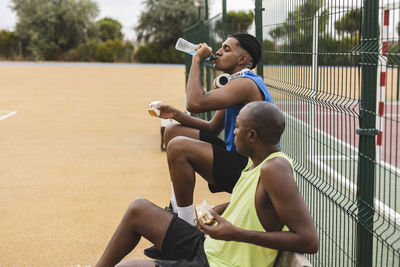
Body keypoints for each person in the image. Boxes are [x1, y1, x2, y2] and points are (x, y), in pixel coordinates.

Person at [95, 101, 319, 267]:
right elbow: (256, 205)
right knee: (139, 209)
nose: (233, 131)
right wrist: (217, 210)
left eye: (237, 127)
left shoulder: (274, 169)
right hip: (210, 247)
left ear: (252, 136)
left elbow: (309, 240)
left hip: (222, 263)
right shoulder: (257, 163)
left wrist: (235, 233)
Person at [156, 33, 273, 226]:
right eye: (221, 47)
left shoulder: (245, 84)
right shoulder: (238, 82)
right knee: (173, 132)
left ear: (242, 59)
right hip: (236, 158)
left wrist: (196, 60)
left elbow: (194, 103)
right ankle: (175, 208)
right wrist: (176, 114)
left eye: (226, 49)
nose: (218, 51)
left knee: (178, 147)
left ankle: (183, 230)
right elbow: (212, 127)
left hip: (249, 171)